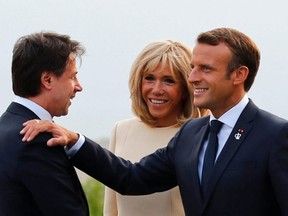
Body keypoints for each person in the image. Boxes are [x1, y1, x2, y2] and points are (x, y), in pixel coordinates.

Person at [21, 28, 288, 216]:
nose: (193, 77)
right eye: (193, 67)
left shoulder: (276, 135)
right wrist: (74, 140)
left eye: (205, 69)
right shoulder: (192, 134)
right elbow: (132, 178)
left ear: (239, 75)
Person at [103, 40, 208, 216]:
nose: (157, 89)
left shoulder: (202, 134)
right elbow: (110, 209)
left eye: (169, 81)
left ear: (186, 87)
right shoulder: (121, 130)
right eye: (150, 78)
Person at [0, 32, 89, 216]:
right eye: (73, 77)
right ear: (47, 80)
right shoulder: (36, 140)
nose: (79, 86)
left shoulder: (4, 129)